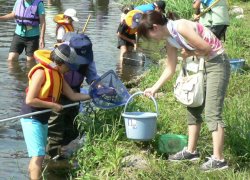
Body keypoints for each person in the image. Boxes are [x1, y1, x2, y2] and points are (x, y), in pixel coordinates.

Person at [137, 11, 230, 171]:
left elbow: (206, 48)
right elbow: (170, 68)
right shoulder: (169, 39)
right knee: (193, 105)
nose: (151, 38)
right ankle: (191, 151)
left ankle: (219, 160)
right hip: (201, 64)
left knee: (212, 112)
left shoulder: (180, 27)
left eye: (149, 35)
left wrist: (190, 53)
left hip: (216, 63)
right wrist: (154, 88)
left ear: (155, 27)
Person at [20, 44, 90, 179]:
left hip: (43, 118)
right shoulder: (41, 72)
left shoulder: (58, 75)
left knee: (38, 155)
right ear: (60, 62)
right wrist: (53, 105)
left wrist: (93, 95)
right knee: (38, 155)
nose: (70, 69)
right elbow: (30, 100)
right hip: (31, 117)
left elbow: (73, 96)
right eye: (68, 66)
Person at [46, 33, 100, 159]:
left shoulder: (87, 58)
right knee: (55, 129)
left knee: (72, 129)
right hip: (57, 93)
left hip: (75, 93)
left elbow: (93, 77)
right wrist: (72, 94)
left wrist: (99, 88)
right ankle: (51, 159)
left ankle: (63, 153)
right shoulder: (60, 54)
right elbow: (53, 77)